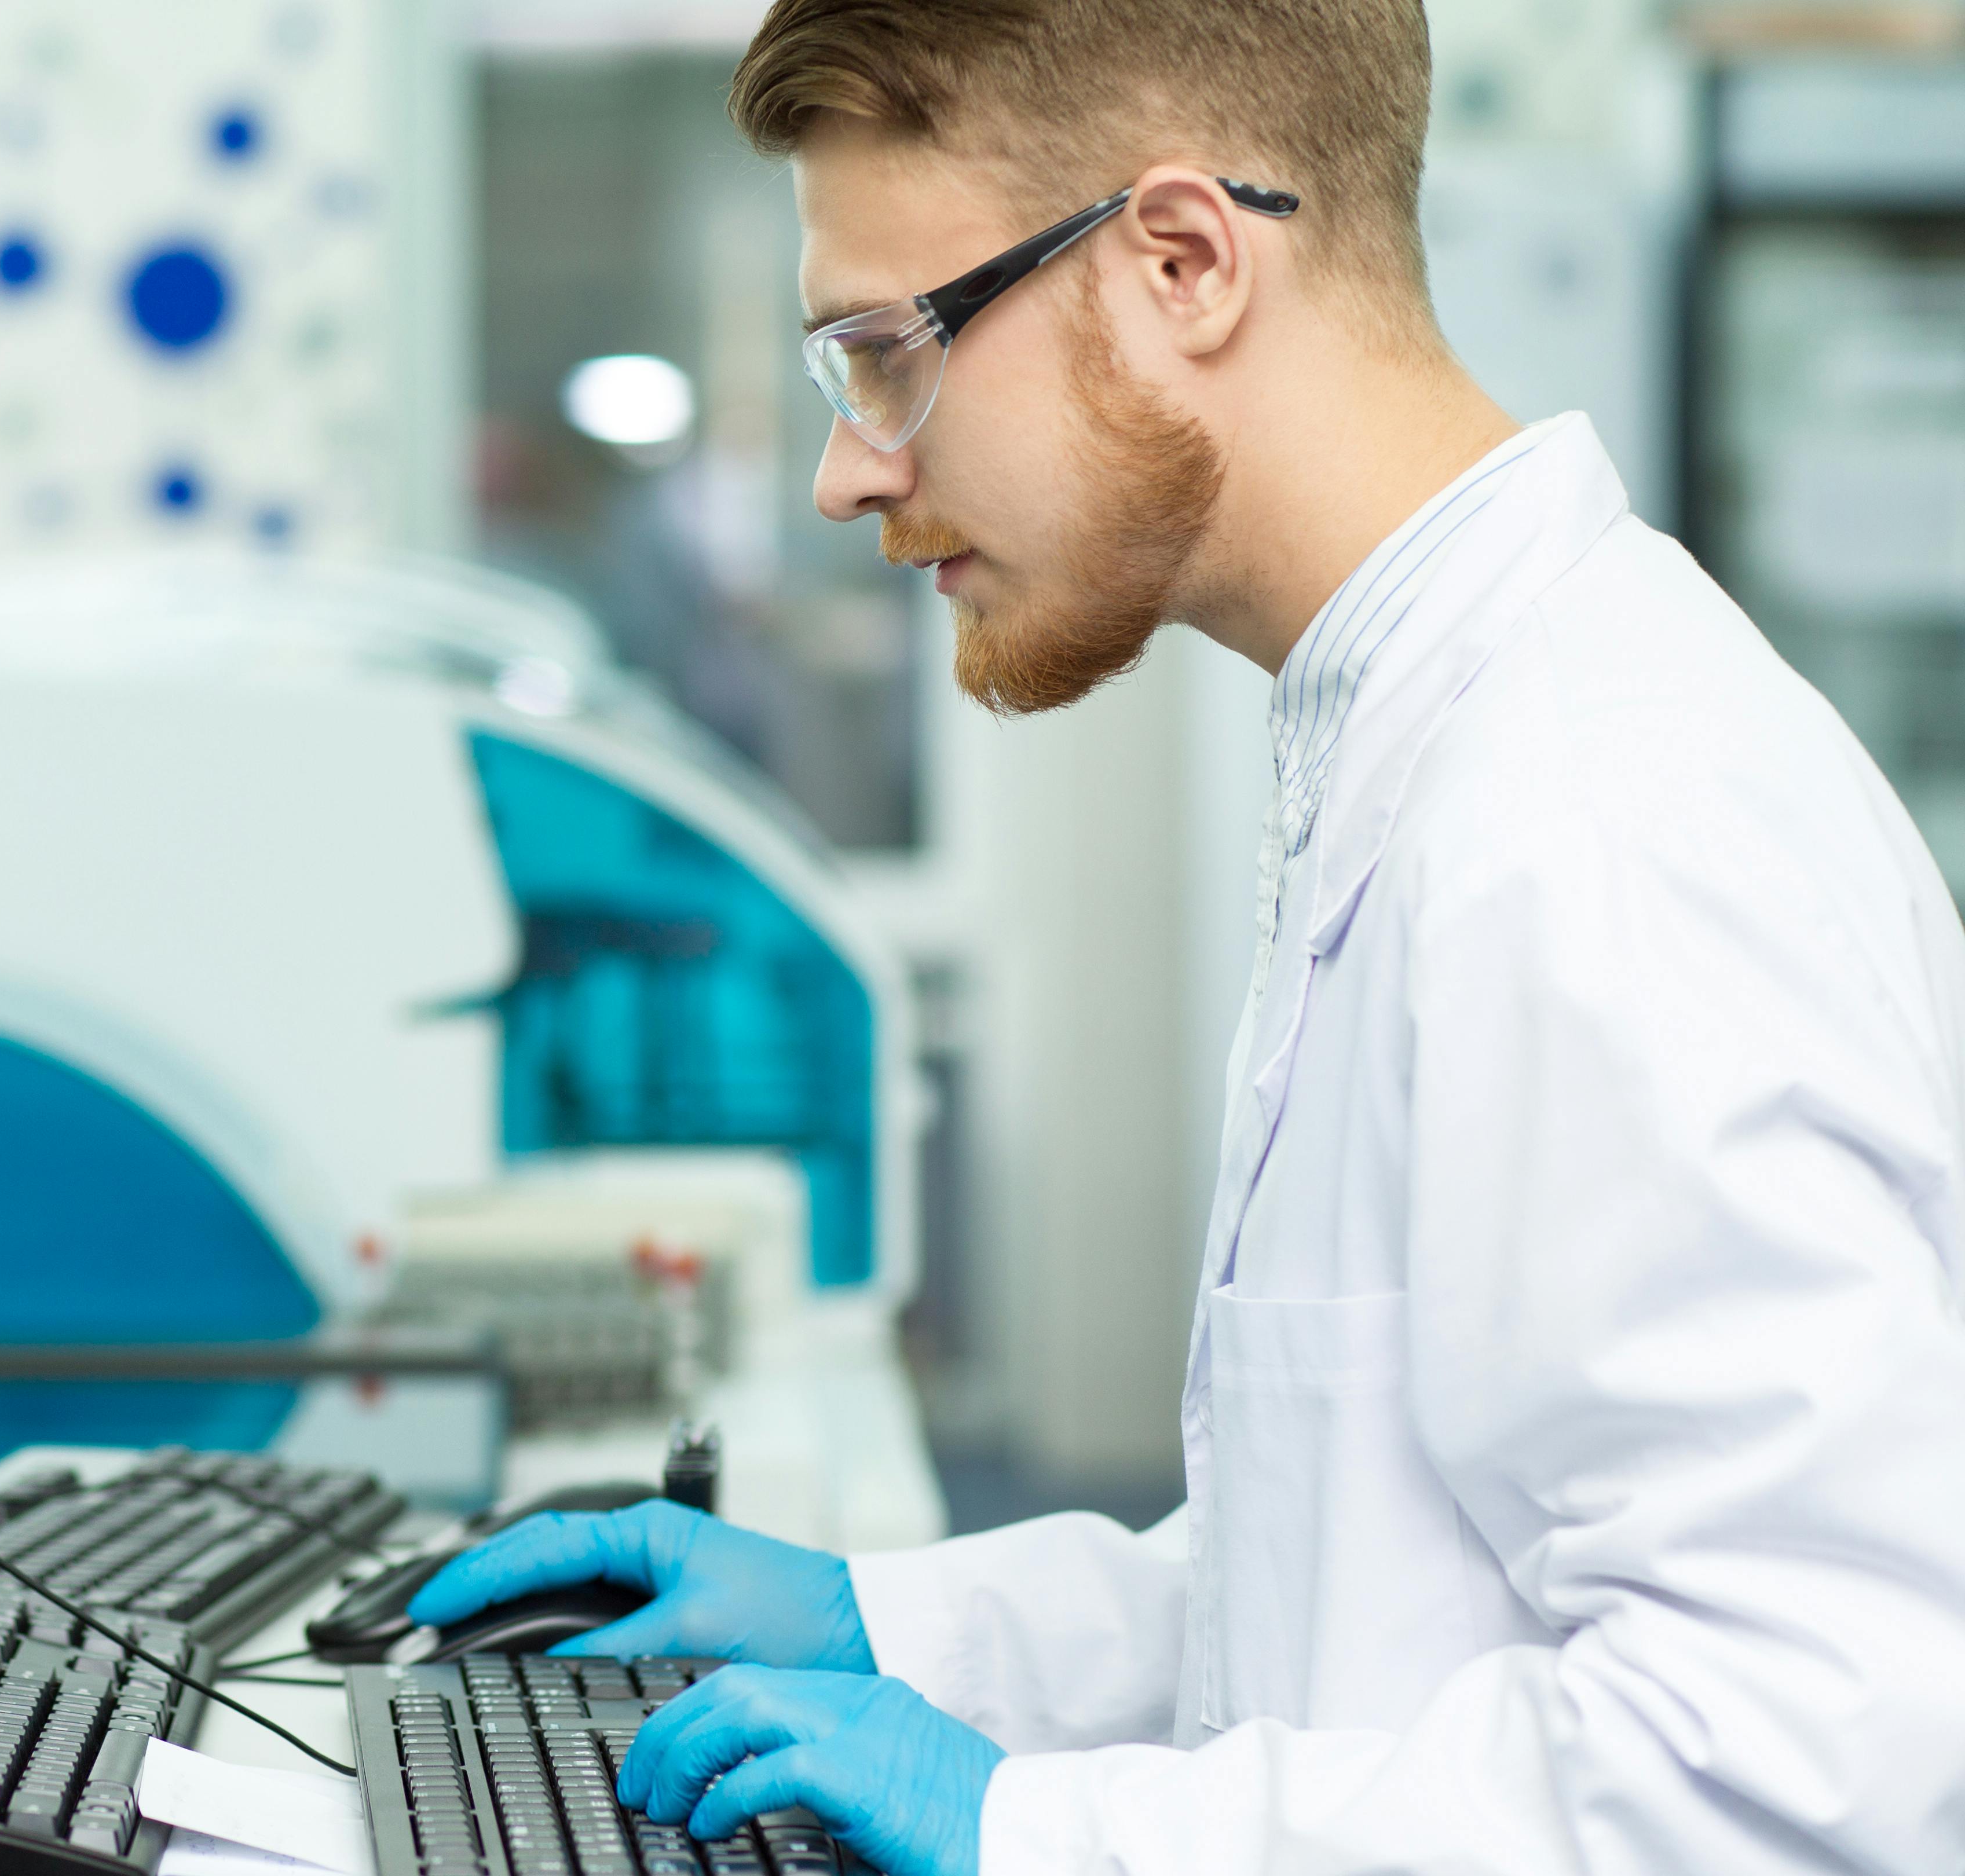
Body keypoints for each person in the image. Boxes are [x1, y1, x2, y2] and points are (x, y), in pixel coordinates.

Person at [409, 3, 1965, 1873]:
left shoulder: (1591, 815)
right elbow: (1373, 1593)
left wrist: (1031, 1832)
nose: (849, 473)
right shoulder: (1417, 728)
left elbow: (1809, 1755)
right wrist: (894, 1631)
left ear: (1181, 263)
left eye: (886, 354)